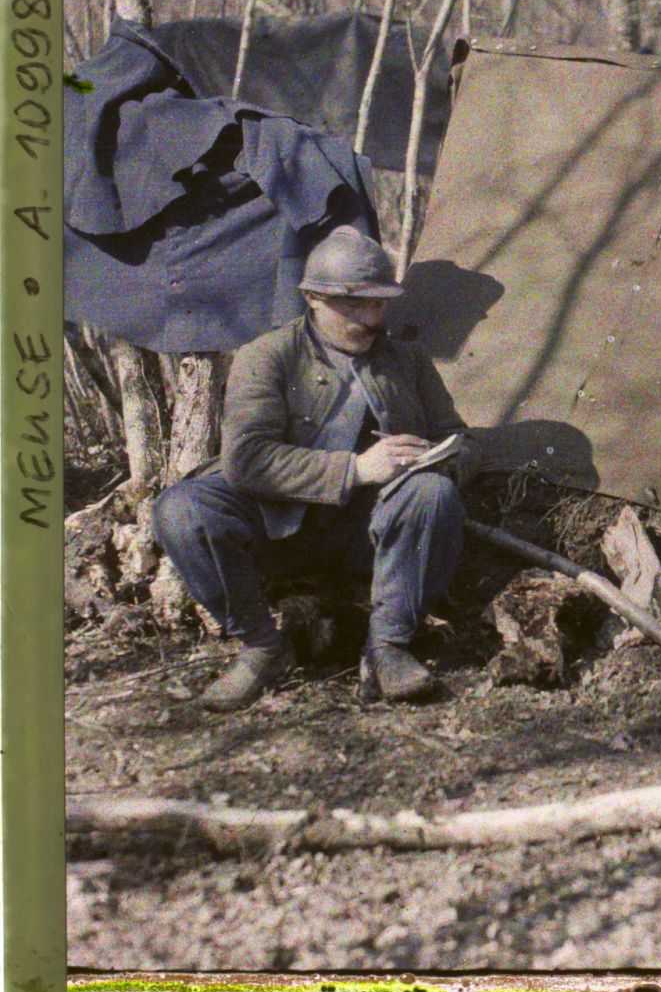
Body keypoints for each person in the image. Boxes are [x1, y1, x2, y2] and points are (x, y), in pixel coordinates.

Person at [154, 226, 480, 711]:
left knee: (432, 493)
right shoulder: (267, 356)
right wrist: (357, 468)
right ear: (312, 298)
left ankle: (388, 647)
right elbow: (246, 460)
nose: (373, 318)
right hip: (274, 528)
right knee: (180, 510)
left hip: (369, 533)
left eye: (380, 303)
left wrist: (437, 463)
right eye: (356, 305)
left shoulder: (405, 360)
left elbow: (463, 439)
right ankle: (262, 647)